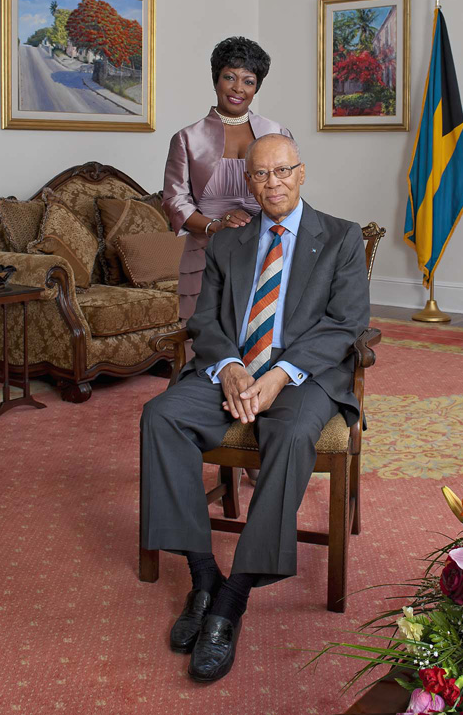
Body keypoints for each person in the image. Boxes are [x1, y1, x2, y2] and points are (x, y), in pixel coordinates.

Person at [141, 134, 370, 683]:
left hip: (304, 376)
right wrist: (233, 368)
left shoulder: (340, 237)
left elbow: (345, 324)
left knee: (290, 437)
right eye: (262, 175)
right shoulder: (229, 242)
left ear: (302, 172)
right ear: (249, 181)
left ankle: (232, 599)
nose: (274, 183)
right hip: (233, 370)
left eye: (283, 171)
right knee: (160, 415)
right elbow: (207, 323)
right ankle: (202, 579)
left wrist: (277, 376)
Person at [162, 36, 292, 323]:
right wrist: (214, 226)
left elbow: (288, 192)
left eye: (248, 81)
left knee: (262, 340)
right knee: (201, 343)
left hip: (266, 250)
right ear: (215, 80)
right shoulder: (187, 138)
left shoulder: (276, 133)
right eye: (229, 77)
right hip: (204, 253)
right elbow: (174, 200)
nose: (238, 88)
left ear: (257, 87)